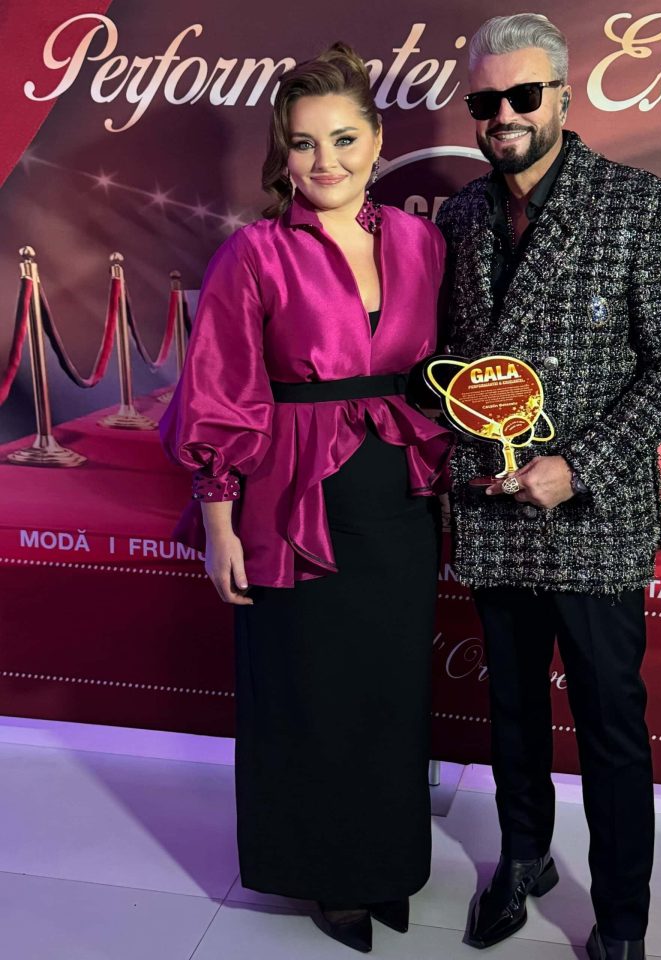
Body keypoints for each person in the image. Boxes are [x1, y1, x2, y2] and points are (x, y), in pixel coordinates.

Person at [160, 43, 451, 956]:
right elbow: (218, 392)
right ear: (281, 155)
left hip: (398, 496)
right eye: (302, 144)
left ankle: (385, 864)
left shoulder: (422, 240)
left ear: (376, 141)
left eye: (343, 139)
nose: (324, 161)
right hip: (288, 497)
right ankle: (326, 873)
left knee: (389, 690)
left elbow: (441, 371)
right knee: (307, 690)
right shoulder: (254, 252)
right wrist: (218, 521)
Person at [435, 14, 661, 960]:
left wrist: (579, 465)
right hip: (493, 508)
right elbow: (453, 362)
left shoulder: (644, 205)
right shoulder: (462, 216)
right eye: (486, 102)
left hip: (595, 517)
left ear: (562, 94)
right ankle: (523, 860)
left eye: (521, 96)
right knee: (510, 708)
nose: (503, 116)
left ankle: (622, 923)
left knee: (610, 727)